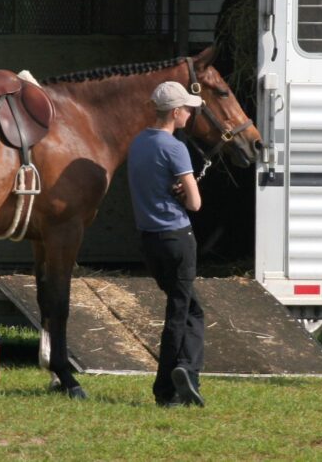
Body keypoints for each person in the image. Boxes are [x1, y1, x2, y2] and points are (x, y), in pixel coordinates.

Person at [127, 80, 206, 408]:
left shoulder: (138, 143)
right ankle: (170, 386)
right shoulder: (175, 147)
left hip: (149, 240)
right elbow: (195, 203)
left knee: (187, 308)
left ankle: (186, 374)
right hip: (178, 238)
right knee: (181, 312)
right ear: (175, 112)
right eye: (187, 108)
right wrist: (184, 188)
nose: (190, 113)